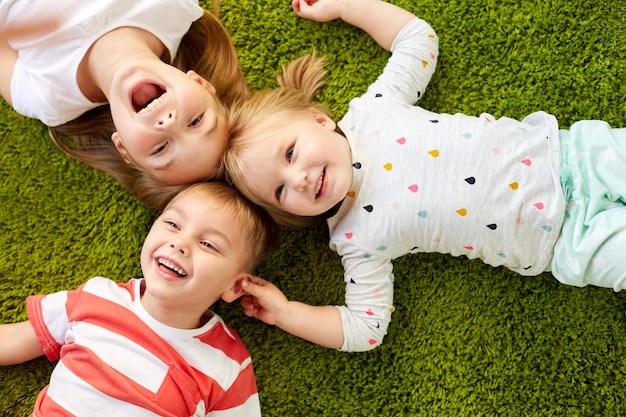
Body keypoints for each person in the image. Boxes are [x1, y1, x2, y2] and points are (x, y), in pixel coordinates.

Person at [221, 0, 626, 353]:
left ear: (320, 120)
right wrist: (287, 312)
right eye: (279, 190)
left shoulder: (373, 110)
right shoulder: (354, 238)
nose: (300, 179)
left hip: (573, 155)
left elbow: (417, 39)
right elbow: (365, 328)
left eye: (290, 152)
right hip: (563, 240)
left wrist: (346, 6)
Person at [0, 181, 280, 416]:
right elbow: (15, 340)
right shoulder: (97, 297)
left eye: (208, 244)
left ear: (235, 286)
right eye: (172, 224)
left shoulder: (227, 365)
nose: (179, 243)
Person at [0, 0, 248, 208]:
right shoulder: (175, 8)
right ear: (201, 83)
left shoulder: (47, 98)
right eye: (196, 121)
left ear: (124, 148)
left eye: (160, 148)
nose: (169, 123)